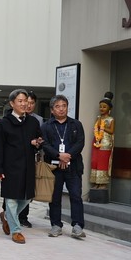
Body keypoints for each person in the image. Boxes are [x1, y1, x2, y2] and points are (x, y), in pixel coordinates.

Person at [0, 89, 43, 244]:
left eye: (25, 101)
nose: (24, 104)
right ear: (12, 103)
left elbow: (39, 140)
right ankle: (16, 230)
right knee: (11, 199)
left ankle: (7, 216)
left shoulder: (33, 122)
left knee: (27, 198)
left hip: (28, 165)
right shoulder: (4, 123)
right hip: (10, 166)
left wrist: (37, 143)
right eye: (20, 101)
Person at [41, 95, 87, 238]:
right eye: (57, 106)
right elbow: (44, 144)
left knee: (76, 196)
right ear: (52, 110)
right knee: (54, 197)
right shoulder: (46, 126)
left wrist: (68, 156)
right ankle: (56, 225)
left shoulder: (76, 124)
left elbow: (80, 143)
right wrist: (58, 155)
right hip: (54, 168)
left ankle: (77, 226)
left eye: (64, 106)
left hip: (73, 166)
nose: (61, 109)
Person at [90, 91, 115, 189]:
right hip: (97, 141)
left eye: (104, 107)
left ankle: (103, 183)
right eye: (100, 106)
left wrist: (102, 127)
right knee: (95, 161)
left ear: (109, 109)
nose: (102, 108)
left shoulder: (111, 119)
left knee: (103, 162)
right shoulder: (98, 118)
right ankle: (96, 181)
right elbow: (96, 128)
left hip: (106, 143)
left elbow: (111, 131)